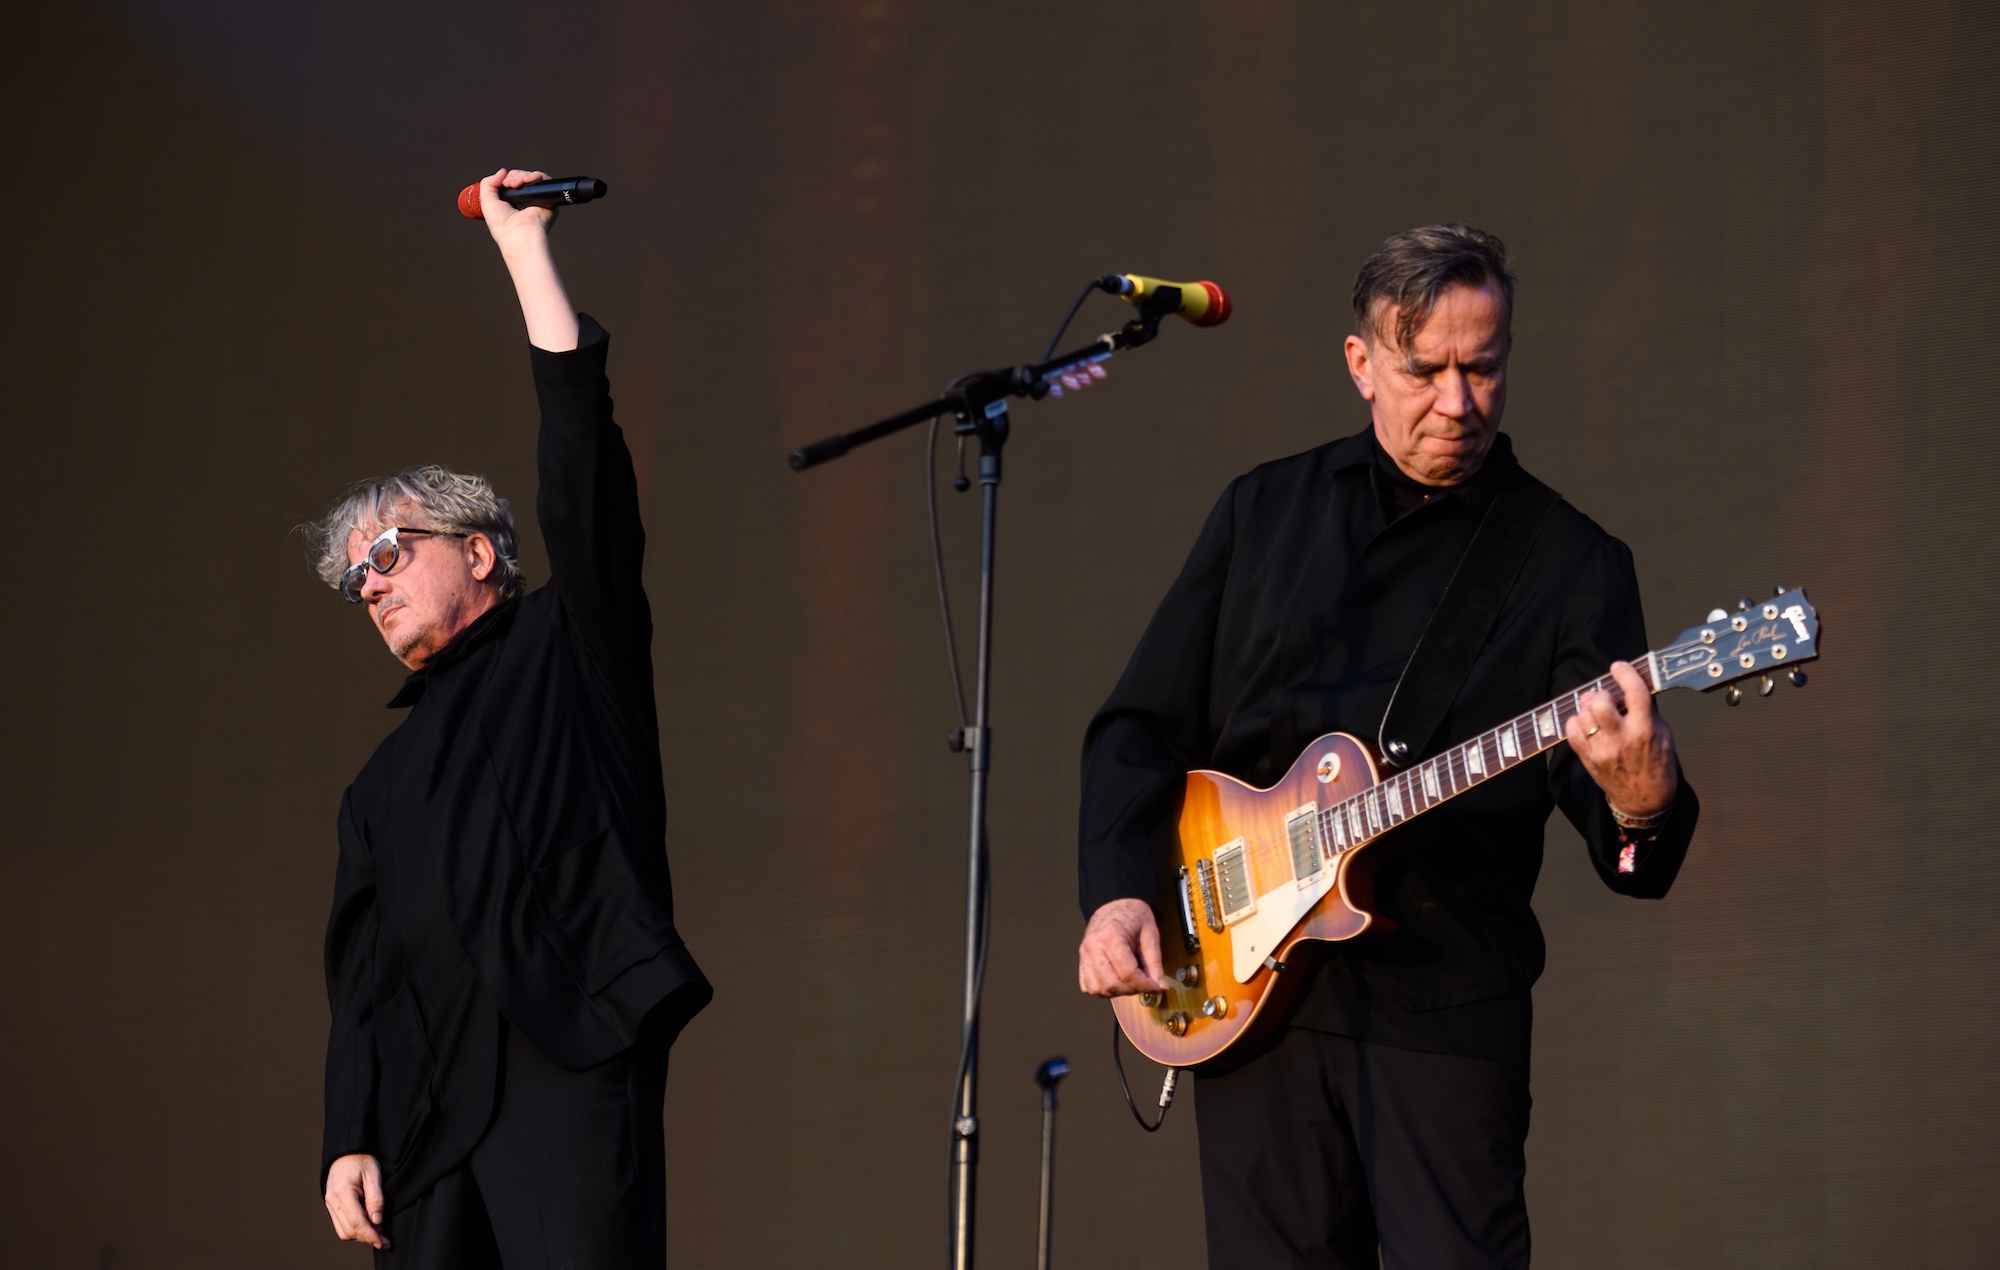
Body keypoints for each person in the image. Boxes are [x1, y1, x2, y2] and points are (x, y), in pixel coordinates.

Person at [1075, 224, 1699, 1269]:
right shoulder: (1262, 512)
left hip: (1441, 1014)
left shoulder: (1568, 561)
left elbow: (1619, 831)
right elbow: (1138, 726)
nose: (1458, 403)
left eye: (1483, 368)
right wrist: (1120, 891)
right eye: (1426, 370)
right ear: (1362, 364)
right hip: (1246, 998)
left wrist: (1641, 805)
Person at [308, 168, 711, 1268]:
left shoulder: (568, 644)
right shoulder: (377, 788)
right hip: (430, 1120)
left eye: (390, 555)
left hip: (568, 1058)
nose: (373, 586)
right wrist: (351, 1134)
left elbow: (580, 468)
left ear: (477, 550)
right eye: (357, 581)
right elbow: (365, 977)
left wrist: (523, 252)